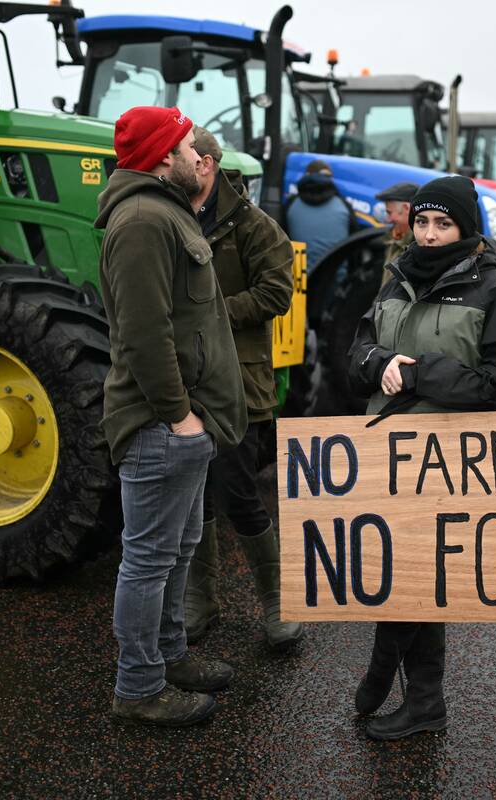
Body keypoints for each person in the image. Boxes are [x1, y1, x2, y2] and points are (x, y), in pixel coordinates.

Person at [347, 176, 496, 741]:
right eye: (422, 222)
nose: (427, 235)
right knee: (396, 570)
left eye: (442, 224)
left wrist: (420, 373)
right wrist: (378, 362)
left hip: (450, 459)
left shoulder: (494, 288)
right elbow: (357, 351)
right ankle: (402, 685)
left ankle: (410, 691)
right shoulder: (397, 277)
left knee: (423, 576)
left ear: (465, 228)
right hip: (387, 451)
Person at [96, 107, 247, 726]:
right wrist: (179, 416)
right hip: (161, 425)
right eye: (187, 146)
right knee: (148, 561)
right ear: (163, 156)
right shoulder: (141, 220)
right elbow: (143, 333)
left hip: (184, 421)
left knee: (179, 549)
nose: (197, 155)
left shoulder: (166, 210)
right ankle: (138, 688)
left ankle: (169, 657)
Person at [182, 127, 304, 652]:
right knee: (193, 492)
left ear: (205, 164)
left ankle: (278, 599)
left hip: (239, 381)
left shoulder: (255, 226)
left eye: (181, 155)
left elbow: (276, 293)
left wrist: (209, 314)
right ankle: (200, 598)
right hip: (184, 379)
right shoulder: (171, 215)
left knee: (238, 491)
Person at [285, 159, 355, 275]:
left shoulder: (291, 204)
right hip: (334, 280)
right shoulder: (343, 205)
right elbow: (354, 246)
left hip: (299, 281)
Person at [376, 180, 419, 283]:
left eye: (389, 213)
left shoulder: (419, 250)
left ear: (406, 208)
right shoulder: (394, 241)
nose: (388, 220)